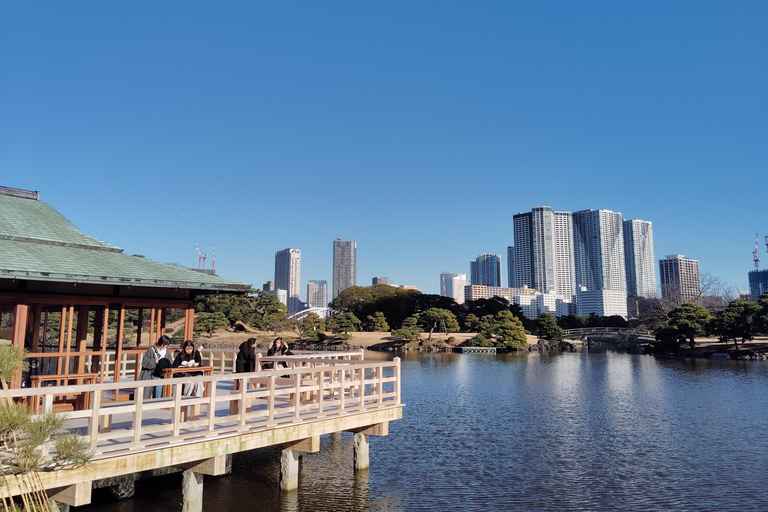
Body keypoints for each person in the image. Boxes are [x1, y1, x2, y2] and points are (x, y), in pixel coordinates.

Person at [139, 335, 172, 400]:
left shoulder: (166, 351)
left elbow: (170, 361)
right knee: (159, 384)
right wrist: (155, 361)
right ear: (162, 344)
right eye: (166, 344)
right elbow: (145, 362)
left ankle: (164, 400)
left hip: (163, 373)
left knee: (167, 382)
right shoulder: (151, 350)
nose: (166, 346)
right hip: (152, 373)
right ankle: (158, 400)